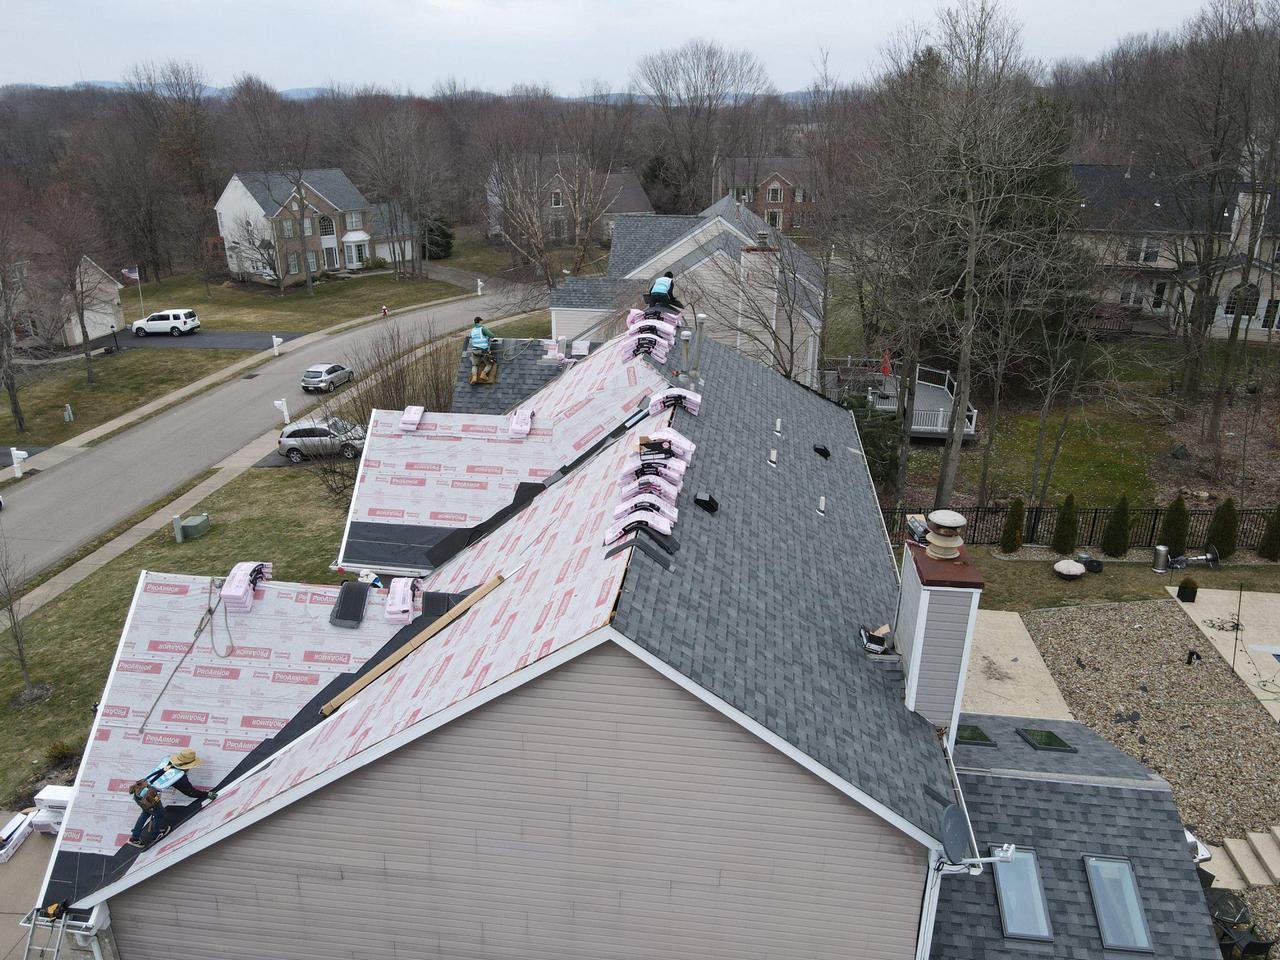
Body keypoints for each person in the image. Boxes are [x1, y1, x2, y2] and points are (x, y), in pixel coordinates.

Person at [126, 748, 215, 848]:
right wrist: (206, 794)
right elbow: (190, 792)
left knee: (145, 813)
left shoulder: (167, 762)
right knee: (160, 814)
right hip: (150, 797)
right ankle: (156, 834)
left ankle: (134, 837)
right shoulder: (179, 776)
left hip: (139, 789)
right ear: (188, 765)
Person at [468, 317, 498, 384]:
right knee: (489, 364)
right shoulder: (483, 329)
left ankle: (474, 377)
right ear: (480, 321)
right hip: (483, 351)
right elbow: (492, 335)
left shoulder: (472, 330)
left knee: (474, 365)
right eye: (482, 321)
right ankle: (483, 374)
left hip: (475, 350)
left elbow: (472, 337)